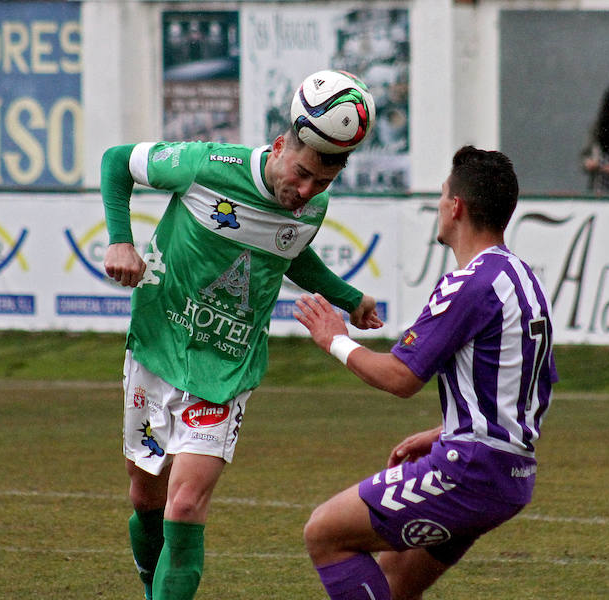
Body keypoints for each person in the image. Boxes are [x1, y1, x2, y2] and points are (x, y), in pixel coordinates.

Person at [101, 77, 382, 600]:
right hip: (156, 348)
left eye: (320, 184)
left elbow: (290, 250)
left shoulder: (310, 209)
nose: (304, 193)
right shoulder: (205, 165)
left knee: (184, 508)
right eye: (300, 174)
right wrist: (120, 239)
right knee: (147, 500)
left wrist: (349, 298)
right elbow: (117, 160)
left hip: (227, 370)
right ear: (279, 147)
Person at [294, 145, 558, 600]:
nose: (439, 204)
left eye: (442, 195)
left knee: (324, 534)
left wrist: (334, 339)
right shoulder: (521, 278)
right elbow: (523, 391)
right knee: (393, 584)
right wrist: (444, 431)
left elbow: (401, 377)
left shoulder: (468, 283)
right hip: (510, 475)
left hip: (470, 471)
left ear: (456, 206)